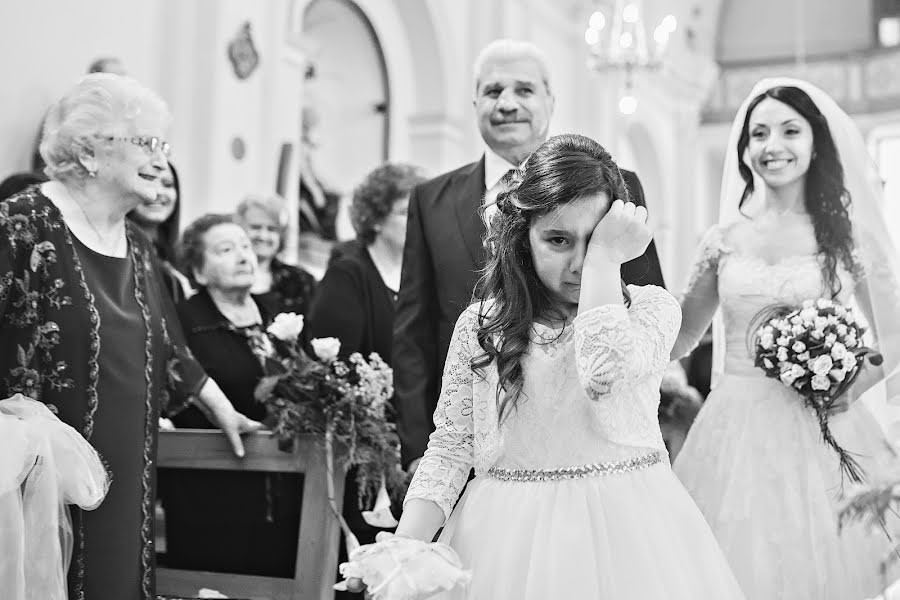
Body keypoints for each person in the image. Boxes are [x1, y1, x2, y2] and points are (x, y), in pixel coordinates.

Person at [350, 134, 743, 599]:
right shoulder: (483, 324)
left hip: (629, 530)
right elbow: (452, 446)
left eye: (593, 241)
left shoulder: (650, 310)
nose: (578, 263)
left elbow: (603, 373)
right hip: (505, 533)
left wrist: (604, 265)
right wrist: (404, 549)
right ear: (523, 237)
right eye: (558, 240)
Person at [0, 74, 261, 600]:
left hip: (127, 477)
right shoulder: (19, 224)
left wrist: (221, 407)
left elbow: (170, 350)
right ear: (89, 151)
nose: (161, 160)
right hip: (30, 479)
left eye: (162, 145)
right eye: (145, 142)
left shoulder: (139, 245)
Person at [671, 78, 900, 599]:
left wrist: (848, 387)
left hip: (824, 427)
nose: (773, 146)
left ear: (815, 142)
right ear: (745, 150)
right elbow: (685, 332)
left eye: (790, 131)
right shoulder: (722, 241)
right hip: (733, 428)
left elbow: (895, 335)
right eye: (759, 134)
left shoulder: (846, 238)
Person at [393, 39, 665, 471]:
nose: (507, 104)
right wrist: (415, 449)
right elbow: (413, 331)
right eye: (493, 91)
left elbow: (641, 305)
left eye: (524, 90)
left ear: (550, 100)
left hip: (587, 438)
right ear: (475, 102)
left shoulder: (615, 183)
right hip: (468, 443)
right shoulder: (431, 200)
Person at [159, 214, 303, 577]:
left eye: (245, 246)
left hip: (286, 485)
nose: (243, 256)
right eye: (226, 250)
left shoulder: (279, 317)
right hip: (210, 488)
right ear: (199, 271)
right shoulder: (182, 322)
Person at [306, 163, 424, 598]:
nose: (415, 223)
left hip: (417, 436)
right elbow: (338, 363)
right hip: (365, 446)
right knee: (366, 564)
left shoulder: (418, 277)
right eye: (403, 212)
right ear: (375, 217)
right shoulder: (350, 272)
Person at [236, 194, 316, 316]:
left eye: (272, 229)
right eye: (255, 227)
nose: (263, 236)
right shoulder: (222, 277)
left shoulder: (301, 280)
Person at [127, 161, 193, 302]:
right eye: (148, 182)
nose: (157, 192)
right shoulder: (119, 254)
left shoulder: (184, 254)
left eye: (167, 184)